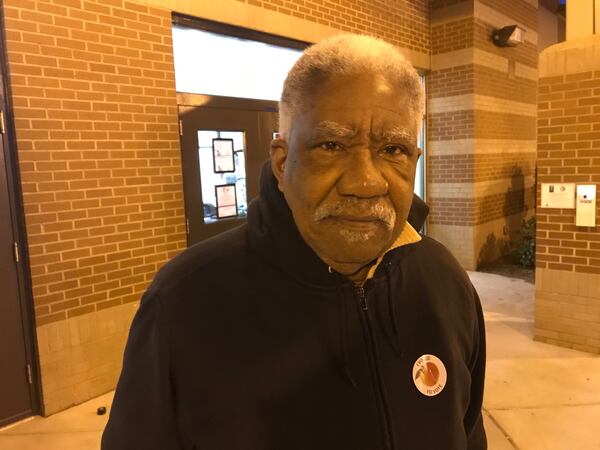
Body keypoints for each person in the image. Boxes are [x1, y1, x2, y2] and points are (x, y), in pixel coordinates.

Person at [102, 34, 486, 450]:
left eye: (392, 149)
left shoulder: (444, 282)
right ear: (283, 163)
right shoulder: (185, 300)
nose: (365, 182)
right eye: (331, 145)